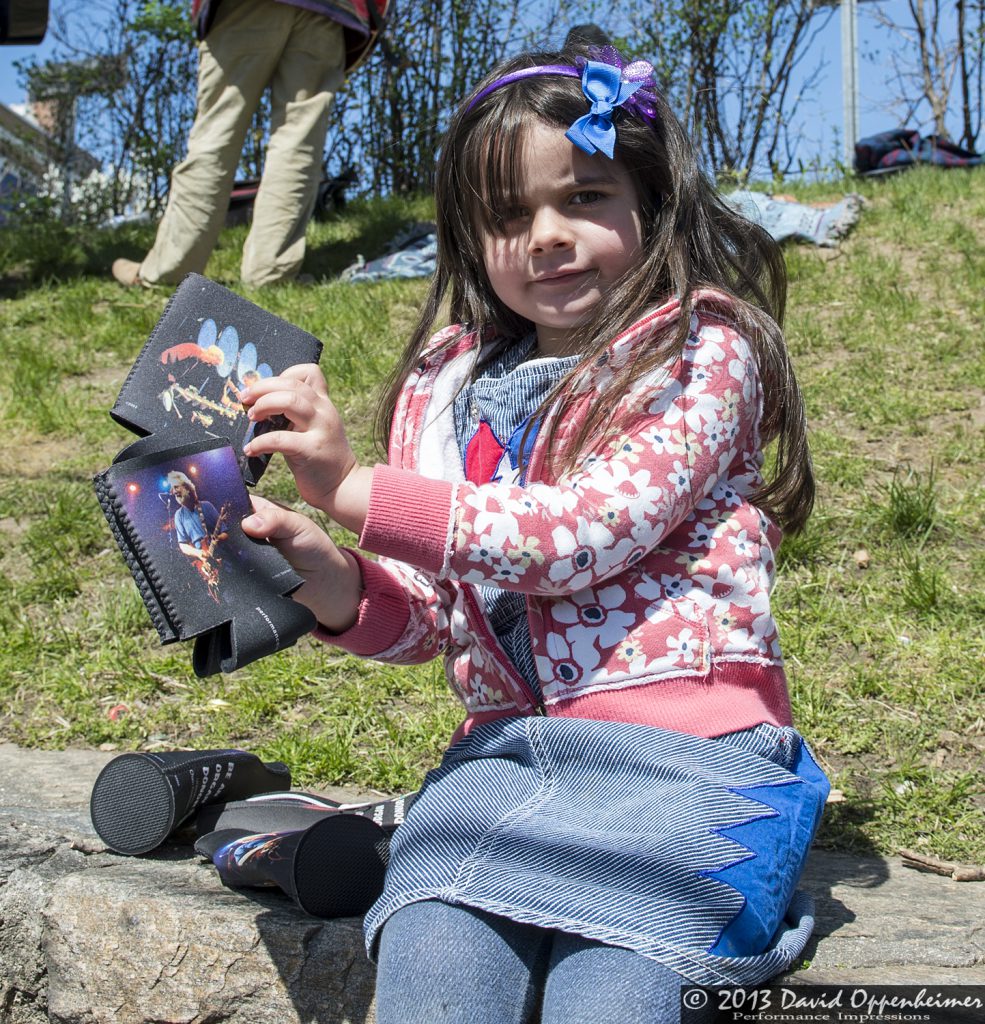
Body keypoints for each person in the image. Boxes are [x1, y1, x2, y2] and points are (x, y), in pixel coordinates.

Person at [238, 42, 829, 1024]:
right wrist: (326, 578)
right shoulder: (443, 392)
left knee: (617, 994)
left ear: (649, 202)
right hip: (502, 767)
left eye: (584, 197)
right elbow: (429, 614)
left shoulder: (699, 355)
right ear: (473, 240)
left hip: (688, 771)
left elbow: (577, 534)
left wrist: (350, 487)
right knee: (432, 968)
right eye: (510, 216)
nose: (546, 235)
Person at [112, 0, 373, 290]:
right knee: (298, 140)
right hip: (332, 8)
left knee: (216, 134)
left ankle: (170, 270)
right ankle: (271, 272)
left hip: (245, 7)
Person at [168, 470, 226, 563]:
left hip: (223, 556)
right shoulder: (178, 515)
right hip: (204, 562)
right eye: (173, 489)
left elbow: (225, 532)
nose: (174, 492)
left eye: (176, 487)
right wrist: (198, 553)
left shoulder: (207, 506)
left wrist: (218, 539)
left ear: (187, 487)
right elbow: (182, 545)